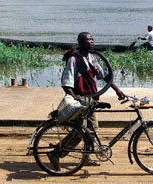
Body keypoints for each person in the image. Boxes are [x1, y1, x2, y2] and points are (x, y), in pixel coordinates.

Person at [48, 32, 125, 170]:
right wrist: (73, 95)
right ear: (80, 42)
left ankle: (86, 156)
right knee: (80, 132)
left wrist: (117, 90)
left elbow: (105, 76)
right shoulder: (74, 59)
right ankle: (56, 153)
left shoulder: (93, 59)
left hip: (91, 100)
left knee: (92, 129)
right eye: (88, 39)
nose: (92, 41)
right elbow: (66, 82)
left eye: (92, 39)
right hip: (81, 101)